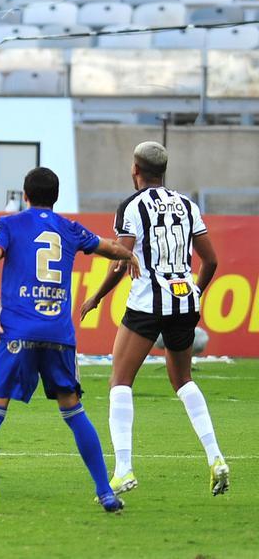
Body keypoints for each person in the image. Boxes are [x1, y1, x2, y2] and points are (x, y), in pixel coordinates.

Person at [0, 167, 138, 515]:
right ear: (56, 197)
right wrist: (129, 255)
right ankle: (105, 492)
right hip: (58, 335)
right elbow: (109, 247)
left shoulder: (8, 225)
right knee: (74, 412)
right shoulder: (69, 228)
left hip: (16, 333)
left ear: (25, 195)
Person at [80, 141, 229, 497]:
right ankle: (216, 457)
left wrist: (97, 296)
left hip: (148, 302)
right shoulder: (187, 205)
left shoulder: (131, 206)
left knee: (120, 380)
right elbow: (211, 261)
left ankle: (123, 469)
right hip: (184, 301)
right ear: (163, 171)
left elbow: (121, 260)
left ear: (135, 170)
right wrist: (194, 292)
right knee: (183, 380)